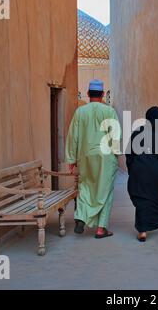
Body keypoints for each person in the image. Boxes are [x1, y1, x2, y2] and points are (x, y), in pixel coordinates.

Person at [65, 79, 121, 239]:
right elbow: (115, 136)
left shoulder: (80, 112)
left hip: (85, 156)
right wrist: (116, 153)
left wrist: (71, 158)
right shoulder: (109, 112)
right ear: (103, 94)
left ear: (88, 94)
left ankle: (82, 217)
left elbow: (73, 136)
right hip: (106, 157)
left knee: (85, 186)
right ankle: (101, 229)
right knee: (105, 191)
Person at [126, 106, 158, 242]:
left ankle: (143, 231)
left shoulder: (138, 132)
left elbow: (129, 154)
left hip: (139, 172)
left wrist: (133, 171)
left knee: (143, 199)